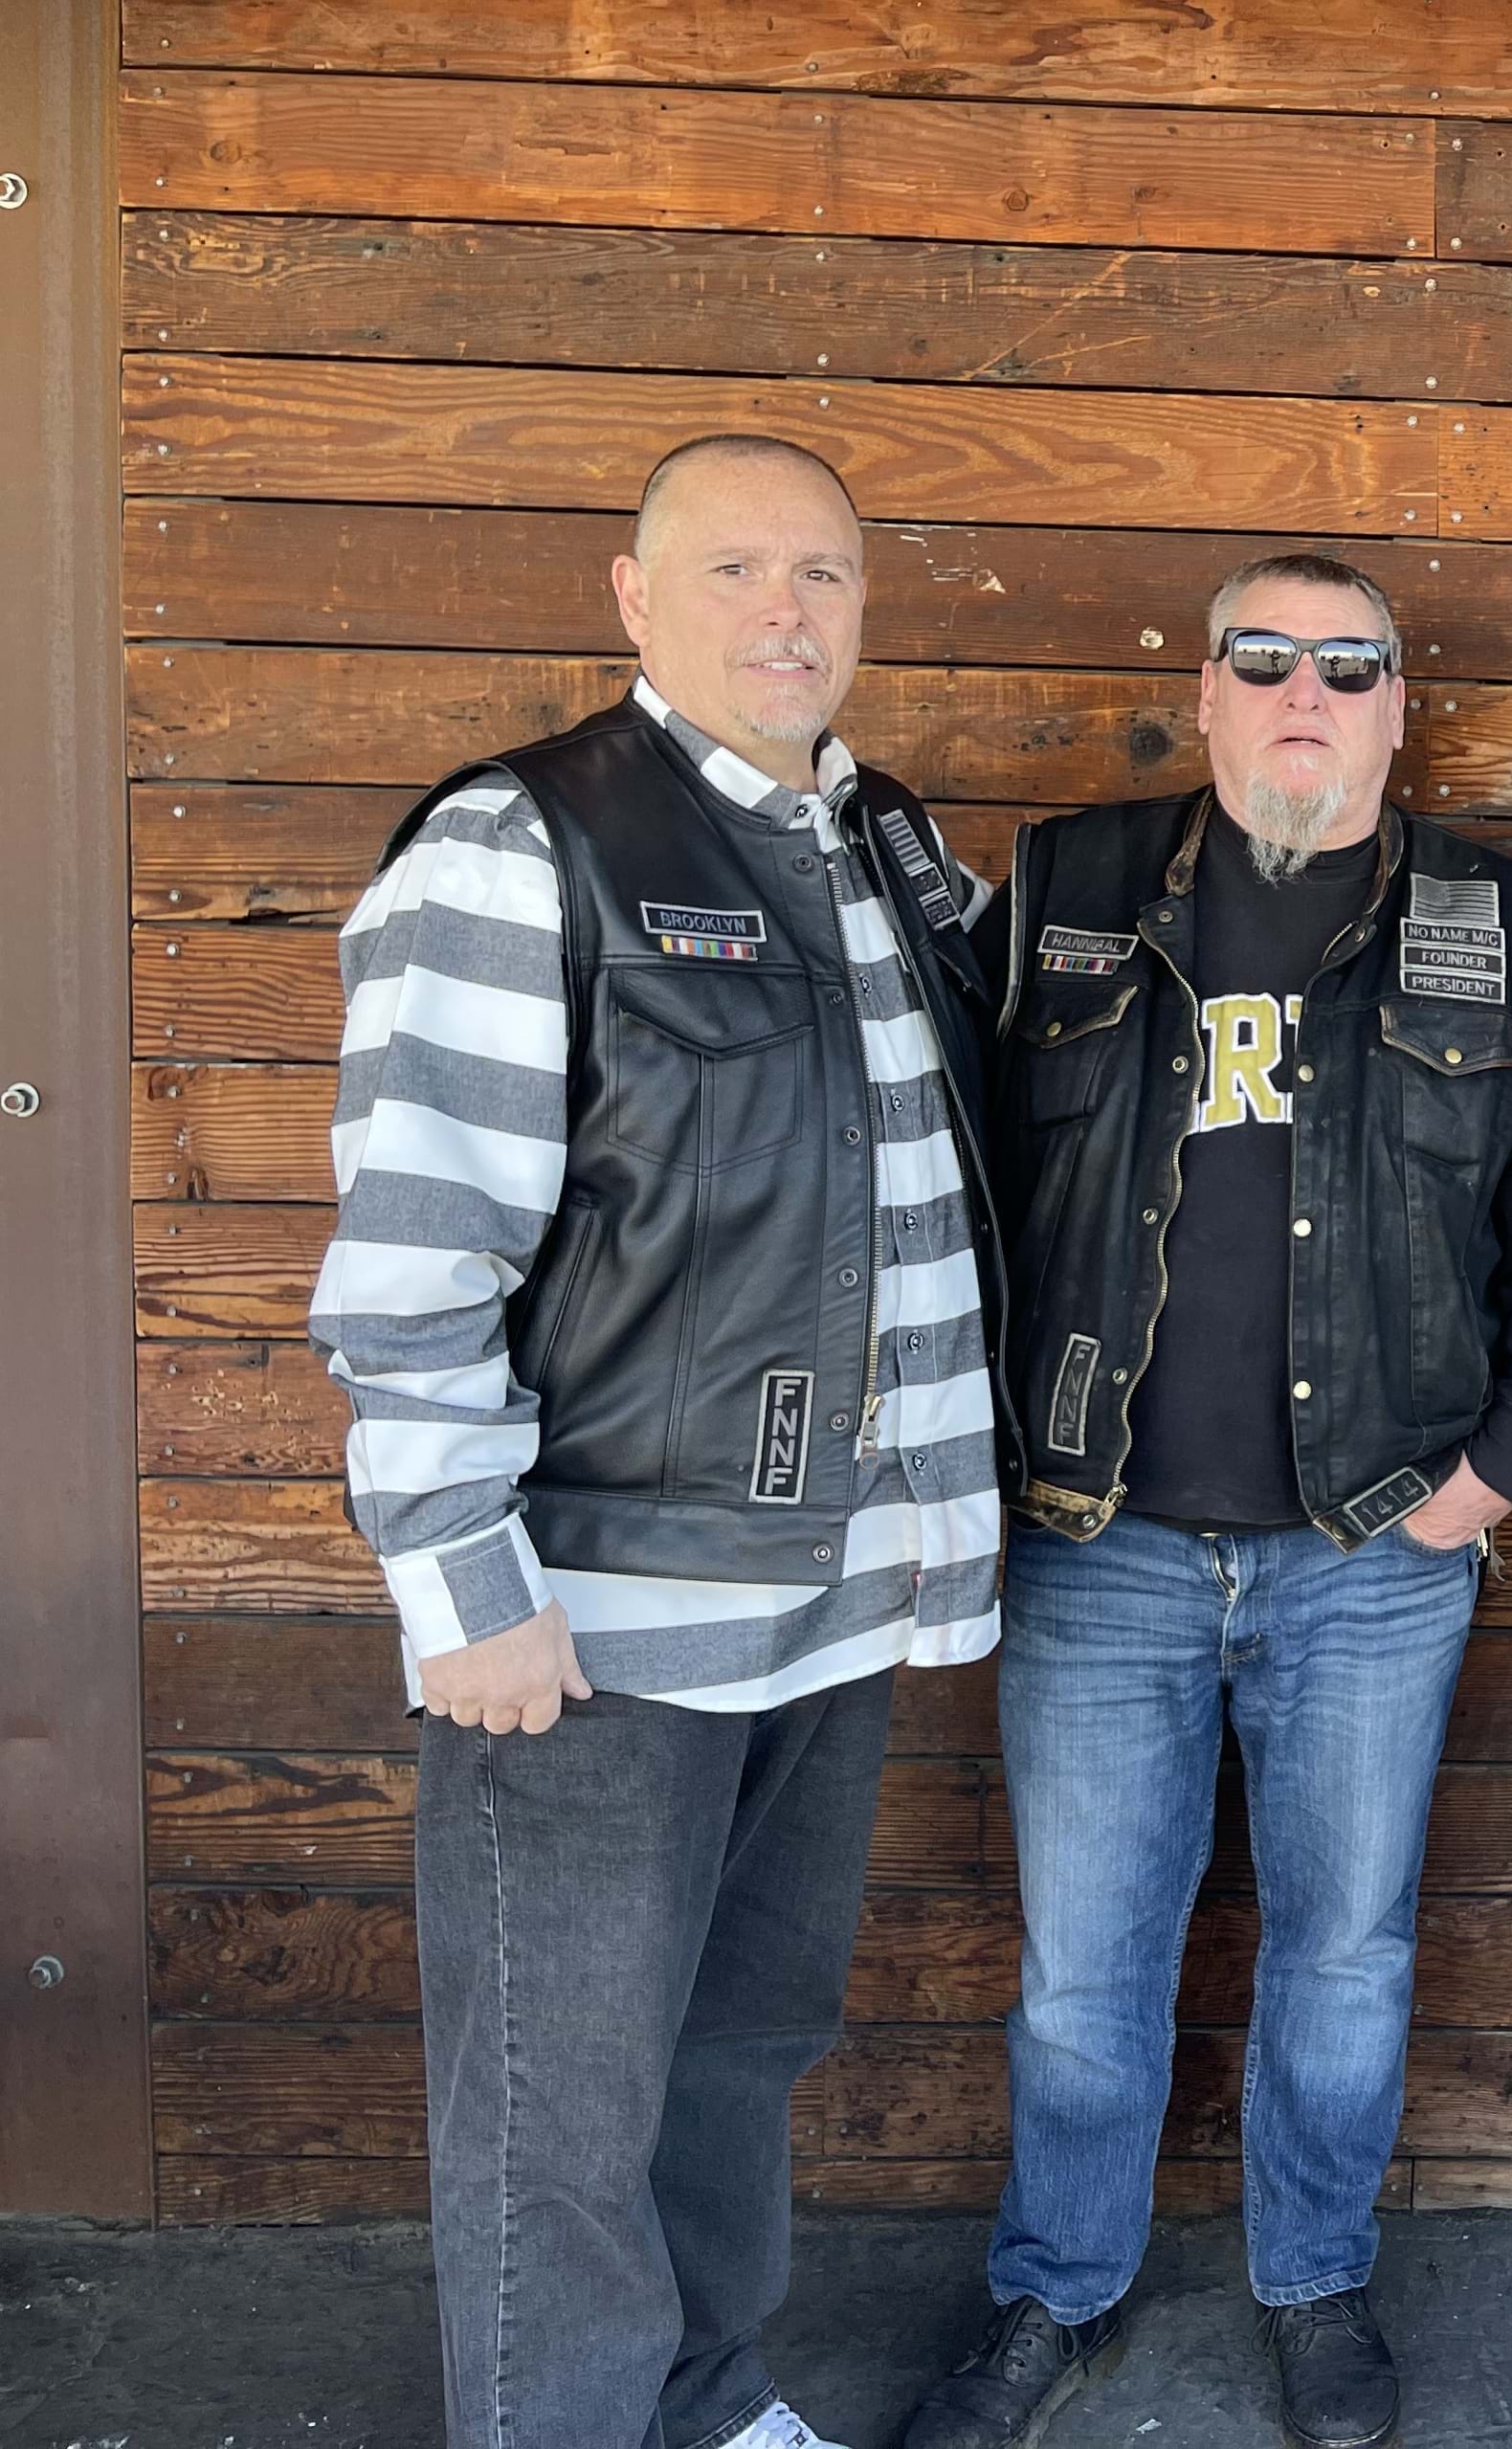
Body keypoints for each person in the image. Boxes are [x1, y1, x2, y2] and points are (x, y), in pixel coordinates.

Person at [308, 434, 1007, 2449]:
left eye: (823, 574)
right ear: (633, 596)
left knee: (740, 2049)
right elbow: (414, 1257)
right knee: (562, 2108)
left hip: (838, 1595)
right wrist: (465, 1585)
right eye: (732, 571)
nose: (786, 612)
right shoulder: (522, 846)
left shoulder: (886, 846)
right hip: (597, 1619)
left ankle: (704, 2401)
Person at [904, 551, 1512, 2449]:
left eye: (1348, 666)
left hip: (1374, 1546)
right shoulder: (1057, 894)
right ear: (1207, 696)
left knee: (1345, 1955)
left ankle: (1314, 2280)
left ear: (1401, 710)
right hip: (1098, 1544)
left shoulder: (1501, 923)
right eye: (1266, 659)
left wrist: (1485, 1481)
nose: (1305, 692)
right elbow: (936, 1180)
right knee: (1085, 1971)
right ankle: (1055, 2292)